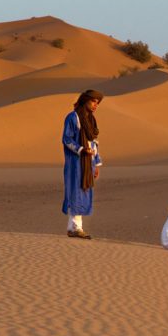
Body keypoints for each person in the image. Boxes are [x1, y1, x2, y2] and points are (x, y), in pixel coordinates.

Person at [62, 89, 104, 239]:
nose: (95, 105)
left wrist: (96, 164)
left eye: (97, 103)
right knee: (76, 193)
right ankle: (75, 228)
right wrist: (80, 149)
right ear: (85, 100)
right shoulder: (73, 118)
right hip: (76, 163)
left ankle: (73, 227)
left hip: (88, 164)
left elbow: (94, 143)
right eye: (93, 101)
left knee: (84, 193)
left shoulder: (91, 120)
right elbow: (66, 139)